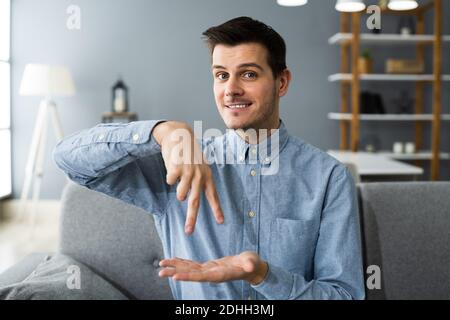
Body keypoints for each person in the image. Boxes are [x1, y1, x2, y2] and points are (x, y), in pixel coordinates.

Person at [53, 16, 365, 300]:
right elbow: (68, 158)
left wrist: (264, 276)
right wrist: (160, 131)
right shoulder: (179, 163)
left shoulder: (328, 177)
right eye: (221, 75)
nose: (231, 90)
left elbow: (345, 295)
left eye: (248, 74)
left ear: (281, 82)